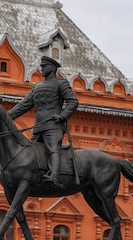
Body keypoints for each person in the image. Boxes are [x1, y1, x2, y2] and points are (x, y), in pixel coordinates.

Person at [8, 56, 79, 188]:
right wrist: (6, 117)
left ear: (52, 68)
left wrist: (63, 116)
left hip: (54, 125)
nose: (42, 69)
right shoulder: (37, 87)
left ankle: (54, 176)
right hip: (39, 125)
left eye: (44, 66)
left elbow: (73, 101)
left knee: (52, 148)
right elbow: (23, 106)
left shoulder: (60, 83)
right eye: (42, 66)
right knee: (31, 150)